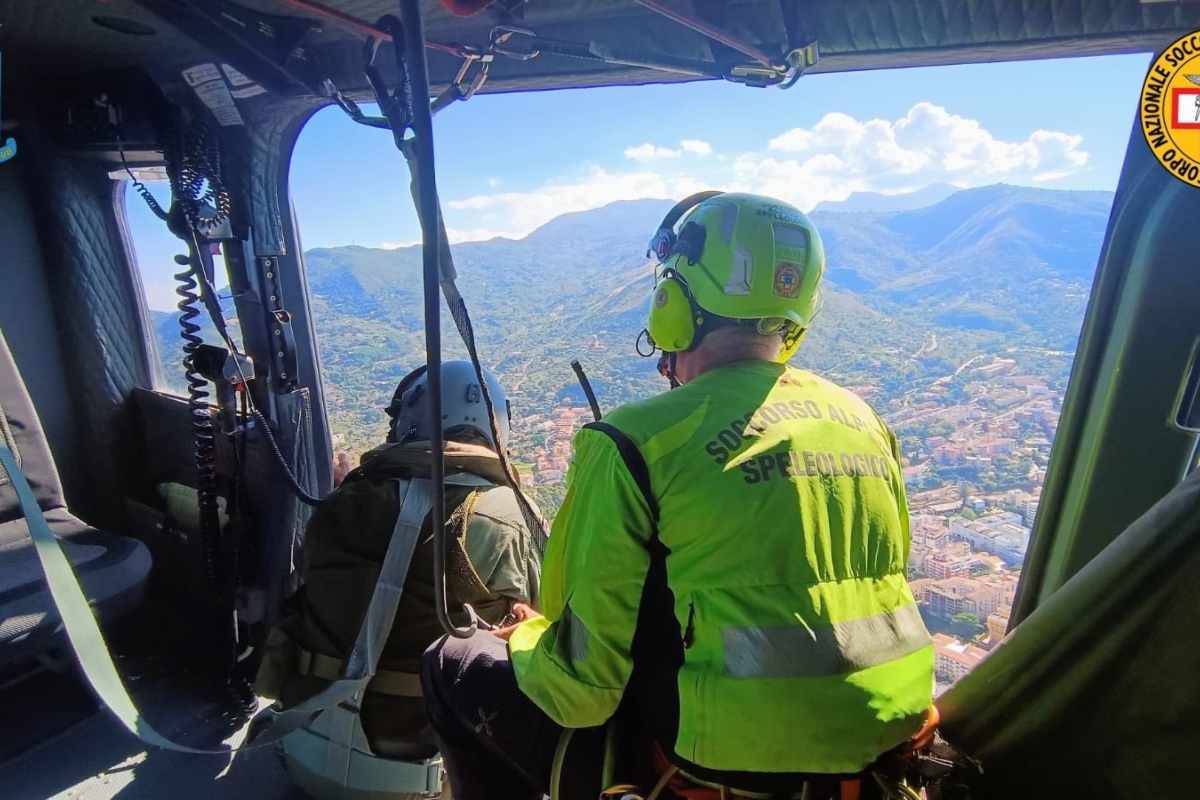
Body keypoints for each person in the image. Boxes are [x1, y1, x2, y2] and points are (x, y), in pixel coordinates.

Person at [421, 193, 934, 799]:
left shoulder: (633, 442)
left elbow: (580, 689)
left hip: (722, 764)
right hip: (883, 749)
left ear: (672, 303)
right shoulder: (867, 423)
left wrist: (530, 637)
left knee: (450, 661)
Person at [255, 361, 543, 775]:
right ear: (498, 425)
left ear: (408, 419)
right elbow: (539, 640)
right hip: (420, 777)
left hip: (305, 750)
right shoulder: (510, 518)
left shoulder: (344, 501)